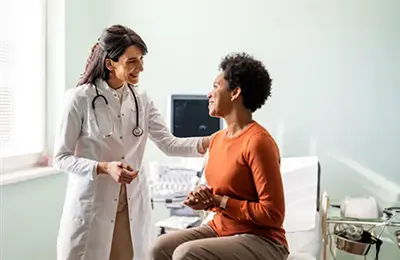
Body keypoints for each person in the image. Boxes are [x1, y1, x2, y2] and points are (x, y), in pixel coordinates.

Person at [53, 24, 211, 260]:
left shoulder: (141, 100)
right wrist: (104, 167)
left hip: (131, 206)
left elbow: (169, 144)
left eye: (141, 59)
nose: (141, 67)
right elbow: (61, 158)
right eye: (132, 61)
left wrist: (215, 141)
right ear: (110, 63)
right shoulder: (79, 99)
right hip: (93, 205)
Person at [151, 52, 289, 260]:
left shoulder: (258, 142)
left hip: (262, 239)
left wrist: (219, 201)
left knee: (184, 254)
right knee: (160, 247)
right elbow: (221, 193)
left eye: (215, 86)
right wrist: (204, 199)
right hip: (222, 228)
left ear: (235, 93)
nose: (209, 94)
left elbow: (273, 215)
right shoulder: (216, 140)